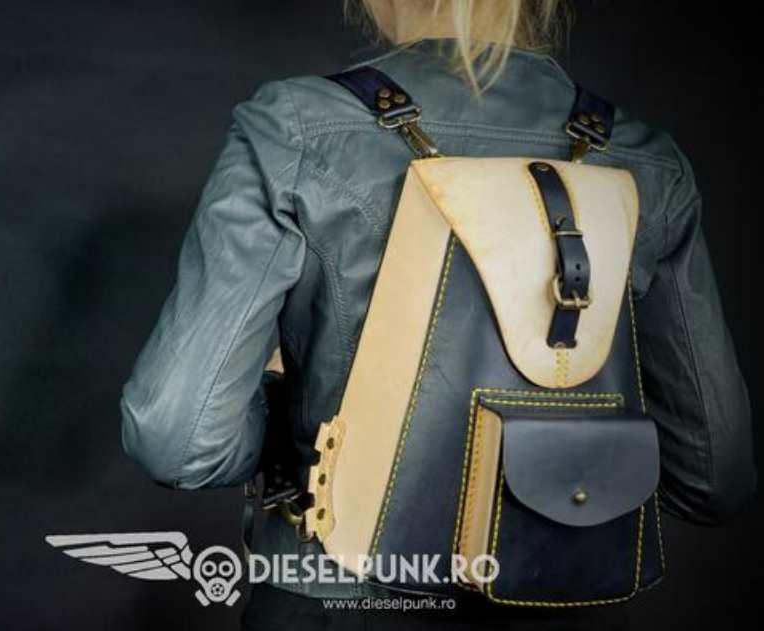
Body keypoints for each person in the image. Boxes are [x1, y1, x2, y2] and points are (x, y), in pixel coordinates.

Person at [119, 1, 756, 628]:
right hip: (567, 592)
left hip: (340, 598)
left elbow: (178, 439)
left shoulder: (297, 130)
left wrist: (297, 429)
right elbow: (715, 480)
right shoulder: (646, 161)